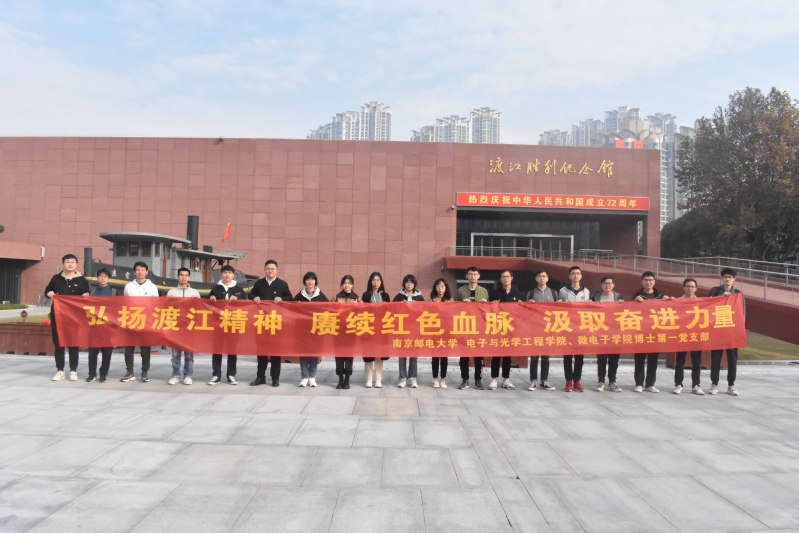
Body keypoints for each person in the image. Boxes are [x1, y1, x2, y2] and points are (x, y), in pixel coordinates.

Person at [45, 253, 90, 381]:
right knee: (58, 343)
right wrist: (49, 293)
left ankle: (73, 371)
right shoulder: (56, 278)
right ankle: (60, 371)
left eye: (72, 262)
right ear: (63, 264)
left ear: (76, 264)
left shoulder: (82, 280)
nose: (70, 264)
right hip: (58, 316)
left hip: (74, 317)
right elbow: (47, 291)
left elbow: (87, 295)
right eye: (67, 262)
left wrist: (86, 296)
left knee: (73, 343)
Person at [249, 259, 292, 387]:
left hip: (275, 323)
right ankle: (260, 377)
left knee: (275, 353)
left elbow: (290, 298)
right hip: (261, 322)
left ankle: (275, 378)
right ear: (264, 270)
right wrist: (254, 298)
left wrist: (282, 298)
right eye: (268, 268)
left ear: (276, 270)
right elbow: (250, 295)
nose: (270, 271)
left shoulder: (282, 284)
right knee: (261, 352)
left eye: (272, 269)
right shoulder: (259, 283)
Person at [631, 271, 671, 393]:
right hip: (640, 333)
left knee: (653, 360)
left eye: (650, 280)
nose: (648, 282)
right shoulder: (637, 295)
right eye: (646, 280)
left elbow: (670, 310)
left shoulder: (661, 296)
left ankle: (650, 384)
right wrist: (634, 301)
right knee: (639, 359)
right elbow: (628, 311)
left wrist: (671, 301)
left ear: (654, 282)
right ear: (642, 281)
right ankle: (639, 383)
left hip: (655, 333)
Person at [208, 264, 246, 385]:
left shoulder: (238, 289)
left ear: (233, 275)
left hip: (233, 324)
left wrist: (238, 300)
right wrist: (211, 297)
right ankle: (216, 375)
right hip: (218, 324)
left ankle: (231, 375)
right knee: (217, 350)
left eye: (229, 273)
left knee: (232, 350)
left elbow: (246, 304)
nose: (227, 275)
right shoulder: (216, 288)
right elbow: (207, 303)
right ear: (221, 274)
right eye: (225, 272)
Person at [121, 261, 159, 382]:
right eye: (138, 270)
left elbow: (156, 305)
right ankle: (129, 371)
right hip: (131, 320)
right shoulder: (128, 286)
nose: (140, 272)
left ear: (146, 272)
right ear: (134, 272)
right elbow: (125, 303)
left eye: (142, 270)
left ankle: (144, 372)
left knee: (145, 349)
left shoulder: (152, 287)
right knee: (129, 348)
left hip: (146, 321)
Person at [708, 268, 743, 396]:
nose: (727, 279)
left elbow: (741, 311)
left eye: (730, 277)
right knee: (715, 359)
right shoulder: (714, 290)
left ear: (734, 279)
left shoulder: (738, 293)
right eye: (725, 277)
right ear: (722, 278)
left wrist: (731, 298)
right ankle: (714, 384)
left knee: (732, 359)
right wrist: (721, 297)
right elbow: (708, 305)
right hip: (717, 329)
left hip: (731, 330)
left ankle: (731, 385)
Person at [488, 269, 523, 389]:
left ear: (512, 278)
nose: (506, 279)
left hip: (511, 328)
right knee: (496, 354)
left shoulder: (518, 293)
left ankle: (506, 379)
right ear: (500, 279)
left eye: (508, 276)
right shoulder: (494, 293)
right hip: (497, 327)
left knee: (508, 355)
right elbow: (488, 310)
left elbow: (522, 311)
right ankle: (494, 379)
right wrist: (492, 305)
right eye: (503, 277)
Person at [455, 266, 488, 390]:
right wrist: (461, 304)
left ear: (478, 276)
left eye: (475, 274)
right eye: (470, 274)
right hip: (465, 327)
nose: (473, 276)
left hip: (479, 327)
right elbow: (454, 308)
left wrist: (485, 304)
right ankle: (465, 380)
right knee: (464, 355)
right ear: (466, 276)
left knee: (479, 356)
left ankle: (478, 380)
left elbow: (489, 310)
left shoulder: (484, 291)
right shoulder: (460, 291)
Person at [559, 265, 591, 392]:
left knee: (579, 356)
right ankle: (568, 381)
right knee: (567, 356)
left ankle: (577, 380)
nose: (575, 275)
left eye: (578, 273)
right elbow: (557, 307)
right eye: (573, 273)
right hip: (567, 327)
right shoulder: (562, 291)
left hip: (581, 327)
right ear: (569, 276)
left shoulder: (586, 291)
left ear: (581, 276)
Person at [166, 267, 200, 385]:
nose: (184, 277)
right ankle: (175, 375)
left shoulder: (194, 293)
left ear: (189, 277)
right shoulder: (171, 292)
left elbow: (199, 309)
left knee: (189, 355)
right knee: (175, 354)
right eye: (181, 275)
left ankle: (188, 375)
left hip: (189, 327)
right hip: (176, 327)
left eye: (186, 275)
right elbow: (166, 309)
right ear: (178, 277)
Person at [294, 271, 328, 387]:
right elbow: (292, 310)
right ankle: (304, 377)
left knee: (314, 354)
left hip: (316, 330)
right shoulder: (299, 296)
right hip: (302, 330)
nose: (310, 282)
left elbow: (328, 309)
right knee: (303, 354)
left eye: (312, 279)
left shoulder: (321, 296)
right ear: (305, 281)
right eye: (308, 279)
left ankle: (312, 377)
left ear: (315, 282)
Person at [526, 270, 558, 391]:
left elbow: (559, 310)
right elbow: (524, 310)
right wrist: (528, 304)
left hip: (548, 329)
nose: (542, 278)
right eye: (539, 276)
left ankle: (544, 380)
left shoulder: (553, 293)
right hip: (535, 329)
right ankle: (533, 380)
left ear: (547, 278)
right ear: (536, 279)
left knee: (546, 357)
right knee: (534, 357)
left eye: (544, 276)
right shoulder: (531, 293)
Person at [592, 275, 624, 392]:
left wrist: (622, 304)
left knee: (614, 360)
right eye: (605, 283)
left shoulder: (618, 296)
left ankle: (612, 382)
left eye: (610, 283)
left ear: (614, 285)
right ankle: (601, 382)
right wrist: (594, 304)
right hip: (601, 332)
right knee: (601, 359)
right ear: (601, 285)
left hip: (615, 333)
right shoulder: (596, 296)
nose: (608, 285)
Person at [673, 278, 704, 395]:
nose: (690, 288)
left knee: (696, 362)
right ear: (683, 288)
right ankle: (678, 384)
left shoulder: (702, 302)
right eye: (688, 286)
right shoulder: (677, 301)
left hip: (696, 335)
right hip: (682, 335)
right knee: (680, 361)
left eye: (692, 286)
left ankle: (696, 385)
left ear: (696, 289)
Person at [393, 274, 424, 387]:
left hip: (415, 330)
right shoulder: (399, 296)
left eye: (411, 282)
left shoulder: (419, 297)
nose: (409, 284)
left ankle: (412, 378)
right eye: (407, 282)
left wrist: (417, 307)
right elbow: (391, 310)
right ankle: (402, 378)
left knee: (413, 356)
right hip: (402, 330)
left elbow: (425, 311)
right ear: (404, 284)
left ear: (414, 284)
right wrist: (400, 306)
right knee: (402, 356)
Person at [361, 271, 390, 388]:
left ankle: (378, 379)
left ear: (381, 282)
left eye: (378, 280)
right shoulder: (366, 295)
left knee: (379, 355)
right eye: (374, 280)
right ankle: (368, 379)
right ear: (370, 281)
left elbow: (390, 311)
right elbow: (362, 310)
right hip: (369, 328)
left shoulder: (385, 295)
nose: (376, 282)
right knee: (369, 354)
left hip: (381, 329)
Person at [86, 268, 114, 383]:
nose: (103, 278)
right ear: (97, 278)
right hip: (94, 327)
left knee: (107, 353)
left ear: (108, 278)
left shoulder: (114, 292)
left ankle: (103, 374)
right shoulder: (92, 291)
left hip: (108, 328)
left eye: (105, 276)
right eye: (100, 276)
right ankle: (92, 374)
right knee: (92, 353)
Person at [334, 275, 359, 389]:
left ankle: (347, 380)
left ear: (352, 285)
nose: (347, 285)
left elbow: (364, 311)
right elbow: (328, 310)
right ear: (342, 285)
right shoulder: (336, 297)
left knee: (349, 356)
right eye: (345, 283)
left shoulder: (357, 298)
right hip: (339, 332)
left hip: (351, 332)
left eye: (349, 283)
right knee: (339, 356)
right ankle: (340, 380)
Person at [429, 278, 453, 388]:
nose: (440, 288)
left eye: (442, 286)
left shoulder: (450, 300)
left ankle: (443, 379)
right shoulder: (431, 300)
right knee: (435, 357)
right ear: (435, 287)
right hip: (434, 332)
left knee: (444, 357)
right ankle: (435, 379)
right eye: (438, 286)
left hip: (446, 332)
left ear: (446, 288)